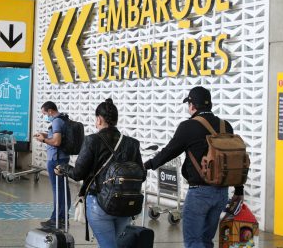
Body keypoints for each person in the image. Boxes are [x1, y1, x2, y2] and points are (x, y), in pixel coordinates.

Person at [143, 86, 244, 248]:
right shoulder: (226, 126)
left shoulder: (188, 126)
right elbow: (235, 160)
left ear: (192, 105)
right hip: (221, 194)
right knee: (206, 241)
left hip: (199, 194)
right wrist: (239, 190)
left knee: (193, 242)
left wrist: (146, 166)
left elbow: (168, 152)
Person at [55, 98, 144, 247]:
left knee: (108, 244)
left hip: (99, 203)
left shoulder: (92, 141)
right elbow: (142, 174)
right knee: (109, 243)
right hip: (126, 205)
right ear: (116, 120)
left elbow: (78, 174)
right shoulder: (132, 143)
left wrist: (62, 168)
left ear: (99, 119)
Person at [34, 101, 71, 228]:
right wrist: (45, 134)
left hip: (56, 160)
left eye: (45, 113)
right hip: (63, 158)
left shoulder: (56, 121)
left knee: (58, 190)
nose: (45, 116)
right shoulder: (63, 119)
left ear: (50, 111)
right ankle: (63, 217)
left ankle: (56, 219)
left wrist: (43, 139)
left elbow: (56, 141)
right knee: (63, 190)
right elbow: (57, 136)